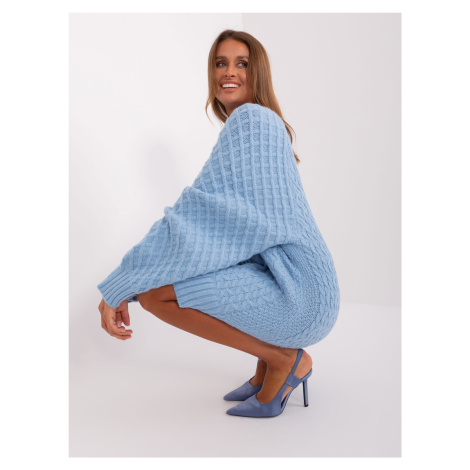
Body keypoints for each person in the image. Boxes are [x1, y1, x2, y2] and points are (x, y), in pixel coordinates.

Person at [97, 30, 340, 418]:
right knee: (210, 267)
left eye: (241, 63)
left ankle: (283, 359)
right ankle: (266, 369)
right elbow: (245, 230)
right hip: (308, 288)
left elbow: (198, 215)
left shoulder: (251, 120)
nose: (229, 72)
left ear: (258, 73)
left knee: (156, 294)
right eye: (220, 63)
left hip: (299, 293)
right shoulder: (265, 123)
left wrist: (122, 282)